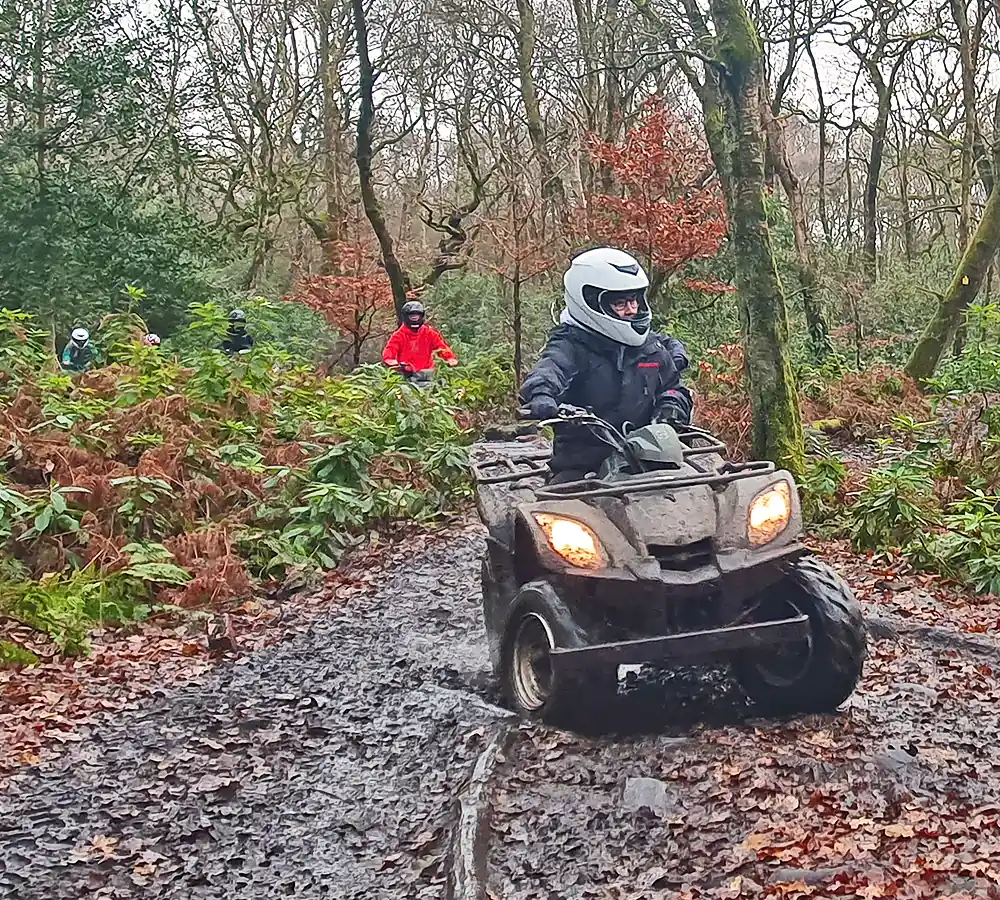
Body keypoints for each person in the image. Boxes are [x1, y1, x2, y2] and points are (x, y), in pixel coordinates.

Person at [519, 247, 693, 483]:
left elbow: (674, 388)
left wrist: (670, 410)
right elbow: (550, 369)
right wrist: (542, 395)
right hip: (585, 465)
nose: (632, 310)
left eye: (634, 300)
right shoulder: (571, 345)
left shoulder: (651, 348)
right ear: (589, 302)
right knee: (554, 510)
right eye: (620, 303)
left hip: (655, 459)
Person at [382, 300, 458, 375]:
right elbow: (390, 350)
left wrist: (449, 358)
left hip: (428, 374)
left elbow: (441, 347)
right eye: (412, 317)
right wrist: (391, 361)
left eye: (417, 316)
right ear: (405, 317)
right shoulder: (399, 335)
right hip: (406, 375)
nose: (415, 319)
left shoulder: (429, 333)